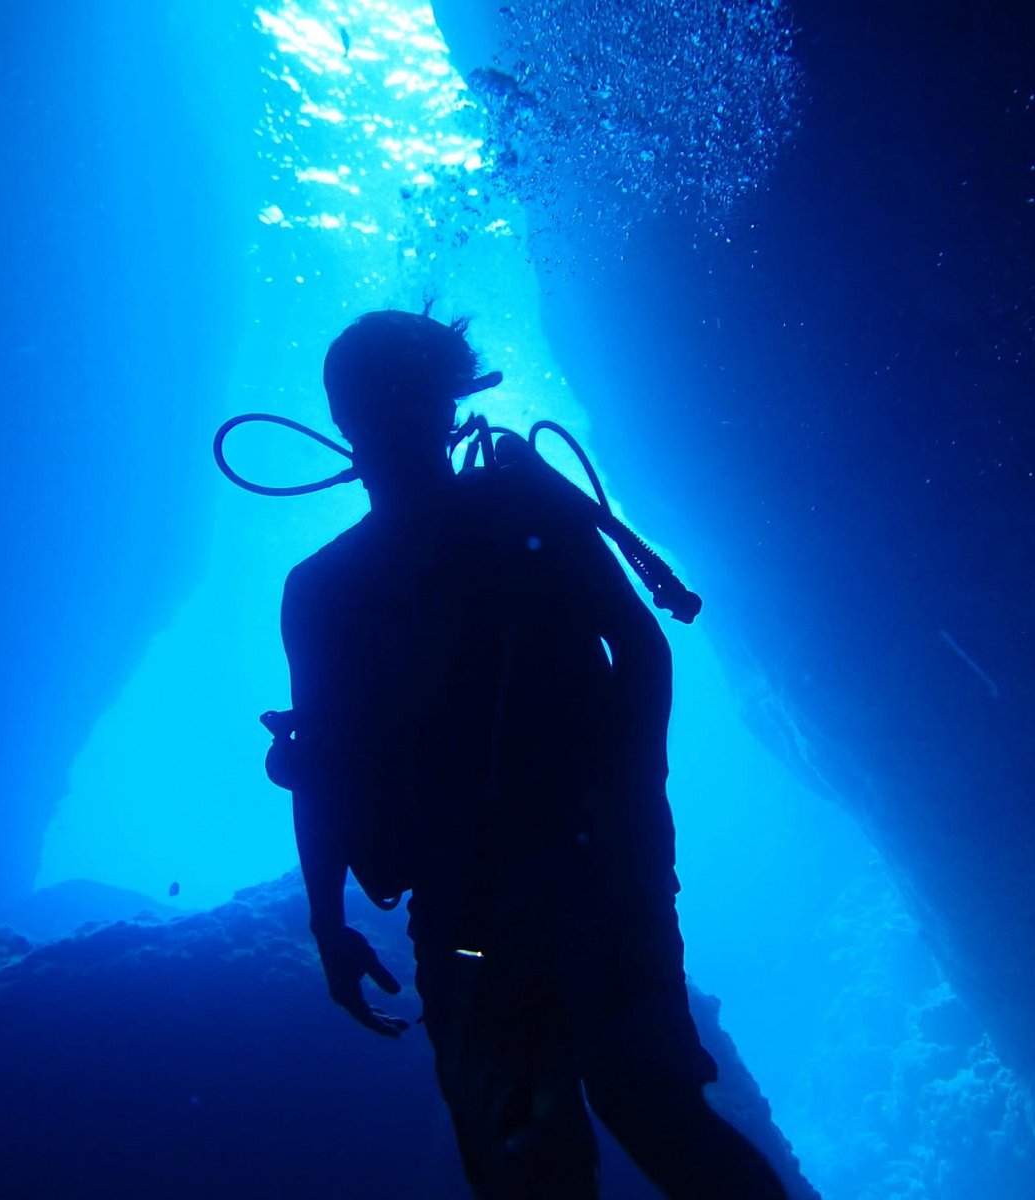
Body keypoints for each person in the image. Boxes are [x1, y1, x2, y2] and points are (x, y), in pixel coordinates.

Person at [279, 308, 787, 1199]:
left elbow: (319, 769)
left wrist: (331, 923)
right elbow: (641, 651)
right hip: (579, 883)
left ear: (341, 417)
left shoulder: (335, 583)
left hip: (495, 906)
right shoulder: (512, 515)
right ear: (451, 400)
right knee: (651, 1113)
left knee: (541, 1152)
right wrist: (635, 821)